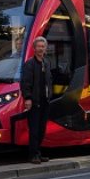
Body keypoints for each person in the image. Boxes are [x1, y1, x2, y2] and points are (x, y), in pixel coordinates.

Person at [21, 36, 53, 164]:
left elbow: (49, 81)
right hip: (34, 101)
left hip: (45, 101)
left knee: (41, 129)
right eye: (38, 46)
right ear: (34, 49)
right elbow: (25, 83)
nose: (41, 49)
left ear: (45, 49)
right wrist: (27, 98)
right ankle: (33, 155)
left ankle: (38, 153)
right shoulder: (30, 64)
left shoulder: (46, 62)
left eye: (43, 46)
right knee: (34, 130)